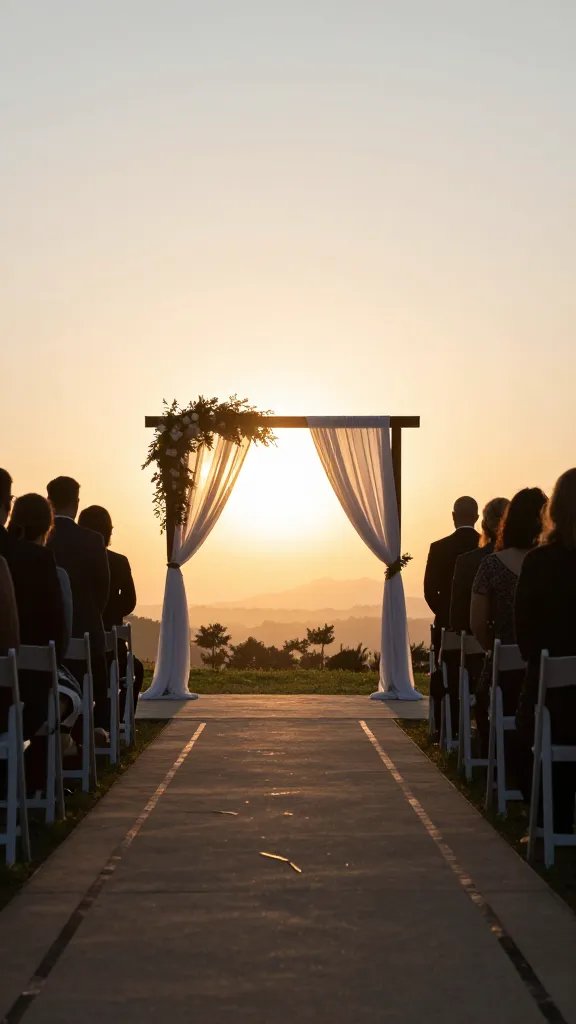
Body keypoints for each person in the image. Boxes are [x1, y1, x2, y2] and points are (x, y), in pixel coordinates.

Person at [515, 469, 576, 833]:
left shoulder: (538, 563)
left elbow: (526, 639)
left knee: (526, 728)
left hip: (554, 703)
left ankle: (548, 823)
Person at [470, 487, 547, 757]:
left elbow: (477, 623)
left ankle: (498, 764)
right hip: (550, 673)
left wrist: (494, 649)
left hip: (505, 672)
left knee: (483, 700)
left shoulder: (491, 565)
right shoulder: (552, 565)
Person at [47, 477, 110, 728]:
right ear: (76, 503)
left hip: (46, 634)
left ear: (49, 501)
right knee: (95, 683)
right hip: (85, 630)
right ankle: (94, 731)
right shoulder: (93, 540)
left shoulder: (41, 538)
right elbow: (101, 591)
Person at [78, 505, 144, 707]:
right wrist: (110, 613)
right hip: (111, 645)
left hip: (77, 646)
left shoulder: (76, 561)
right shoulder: (119, 562)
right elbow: (130, 601)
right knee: (136, 670)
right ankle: (118, 719)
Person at [424, 496, 480, 730]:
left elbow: (429, 591)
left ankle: (446, 727)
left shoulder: (439, 548)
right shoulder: (487, 548)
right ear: (477, 518)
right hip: (482, 628)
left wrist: (446, 614)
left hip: (447, 626)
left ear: (454, 516)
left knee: (446, 674)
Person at [450, 497, 509, 634]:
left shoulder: (466, 561)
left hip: (473, 644)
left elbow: (457, 618)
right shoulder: (527, 559)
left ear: (484, 525)